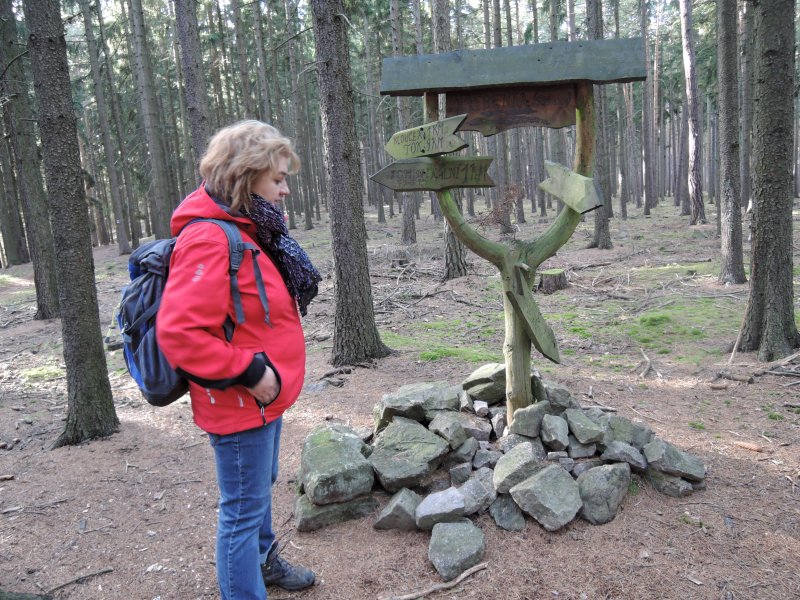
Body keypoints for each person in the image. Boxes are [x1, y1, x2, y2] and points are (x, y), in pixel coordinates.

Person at [156, 120, 321, 600]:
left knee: (259, 490)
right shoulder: (210, 238)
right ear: (245, 177)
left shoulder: (250, 228)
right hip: (241, 401)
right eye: (277, 179)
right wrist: (251, 373)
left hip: (265, 398)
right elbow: (180, 331)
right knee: (241, 514)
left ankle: (264, 562)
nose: (286, 189)